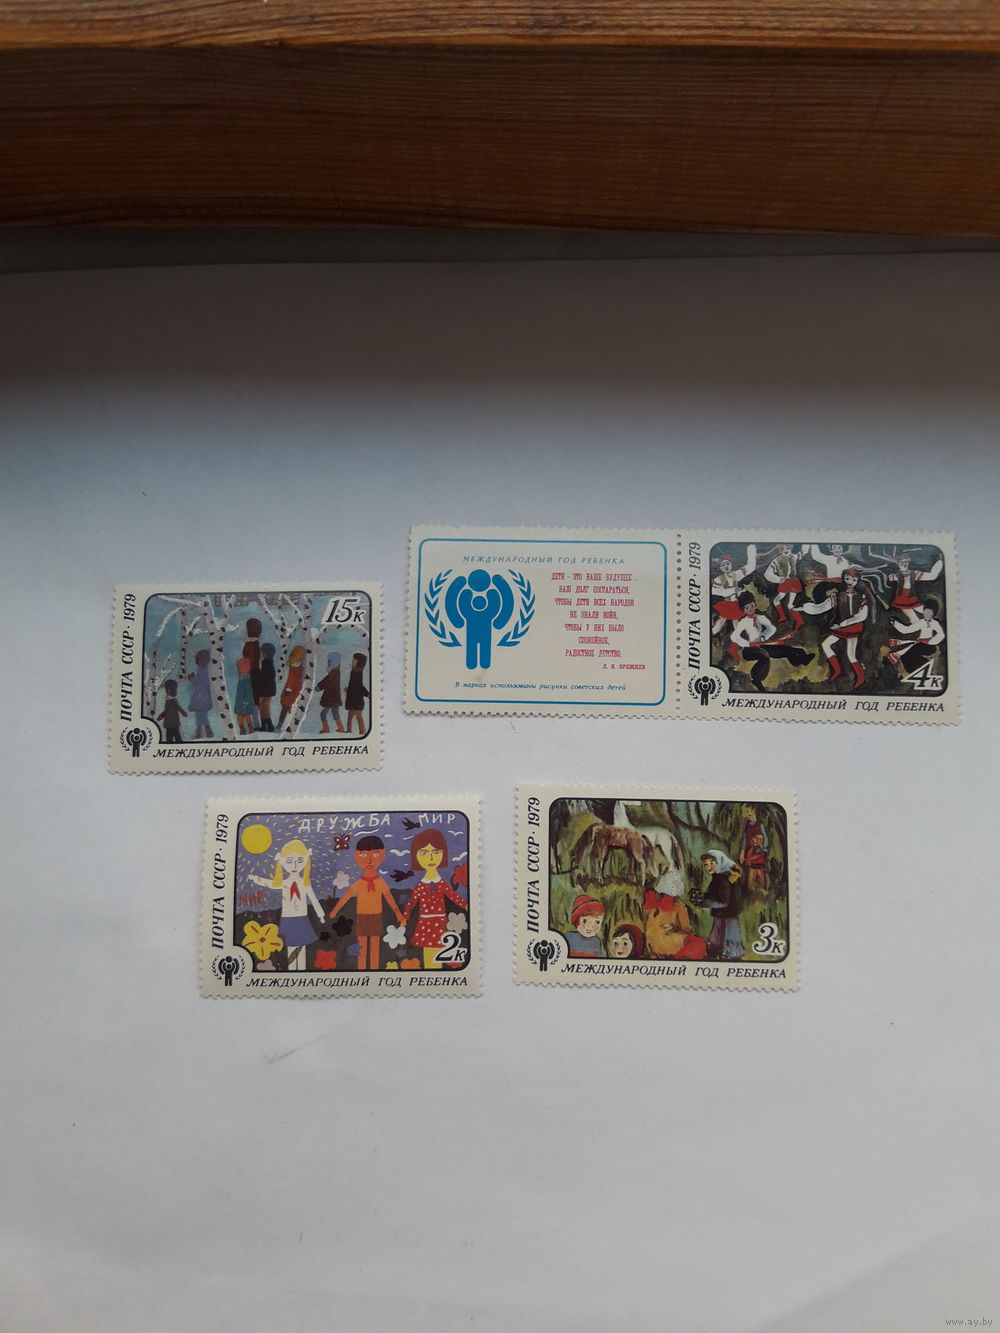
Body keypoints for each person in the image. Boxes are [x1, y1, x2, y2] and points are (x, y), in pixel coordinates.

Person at [247, 839, 326, 971]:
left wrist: (321, 914)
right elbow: (270, 883)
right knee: (291, 948)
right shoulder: (284, 883)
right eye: (289, 861)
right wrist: (256, 879)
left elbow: (313, 899)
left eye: (299, 860)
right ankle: (292, 972)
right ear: (282, 862)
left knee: (301, 948)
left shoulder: (304, 883)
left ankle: (301, 972)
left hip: (301, 918)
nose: (295, 865)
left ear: (306, 860)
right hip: (288, 919)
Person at [331, 835, 404, 971]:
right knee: (362, 945)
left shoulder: (380, 882)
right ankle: (362, 970)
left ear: (383, 855)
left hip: (376, 916)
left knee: (375, 944)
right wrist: (335, 911)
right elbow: (346, 897)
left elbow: (389, 898)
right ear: (356, 856)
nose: (370, 861)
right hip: (362, 917)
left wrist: (398, 913)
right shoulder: (359, 883)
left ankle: (374, 971)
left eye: (375, 854)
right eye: (364, 855)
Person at [402, 828, 469, 969]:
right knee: (428, 951)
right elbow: (412, 902)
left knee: (439, 950)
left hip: (440, 921)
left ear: (443, 854)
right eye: (424, 853)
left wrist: (466, 905)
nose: (431, 858)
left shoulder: (440, 883)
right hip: (425, 923)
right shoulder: (421, 885)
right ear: (416, 856)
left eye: (436, 852)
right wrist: (405, 917)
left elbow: (453, 895)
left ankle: (436, 971)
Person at [802, 567, 874, 689]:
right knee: (826, 645)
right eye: (847, 578)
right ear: (844, 579)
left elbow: (862, 616)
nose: (850, 581)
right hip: (843, 627)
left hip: (853, 626)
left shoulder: (861, 597)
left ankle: (860, 678)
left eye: (853, 579)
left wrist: (841, 625)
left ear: (857, 580)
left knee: (851, 655)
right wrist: (806, 608)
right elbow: (823, 607)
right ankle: (837, 670)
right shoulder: (838, 595)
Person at [730, 592, 812, 689]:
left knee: (783, 649)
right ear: (743, 610)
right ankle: (756, 679)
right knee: (764, 655)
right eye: (746, 608)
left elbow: (772, 628)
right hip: (749, 651)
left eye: (751, 605)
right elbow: (734, 637)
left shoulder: (760, 617)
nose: (750, 609)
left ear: (755, 605)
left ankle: (802, 659)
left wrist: (763, 637)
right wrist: (747, 644)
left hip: (761, 645)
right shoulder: (743, 622)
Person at [701, 850, 744, 961]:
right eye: (706, 864)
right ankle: (716, 953)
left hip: (728, 914)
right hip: (721, 914)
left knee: (728, 937)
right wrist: (702, 898)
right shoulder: (718, 877)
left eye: (711, 863)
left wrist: (706, 902)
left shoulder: (724, 879)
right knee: (717, 937)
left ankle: (730, 956)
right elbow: (711, 893)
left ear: (720, 862)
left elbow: (723, 902)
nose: (708, 867)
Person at [888, 598, 945, 675]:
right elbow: (906, 630)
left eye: (929, 613)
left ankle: (926, 668)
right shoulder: (921, 622)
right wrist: (895, 623)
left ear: (933, 614)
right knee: (905, 655)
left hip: (929, 647)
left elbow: (941, 635)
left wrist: (930, 641)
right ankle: (914, 671)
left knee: (912, 650)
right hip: (919, 644)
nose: (927, 614)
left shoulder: (935, 623)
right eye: (926, 612)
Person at [711, 545, 757, 638]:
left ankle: (739, 639)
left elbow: (750, 567)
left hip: (736, 603)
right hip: (727, 604)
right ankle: (710, 635)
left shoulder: (736, 574)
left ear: (731, 564)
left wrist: (751, 550)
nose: (726, 566)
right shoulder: (719, 579)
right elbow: (714, 591)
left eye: (727, 564)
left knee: (737, 622)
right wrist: (731, 590)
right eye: (723, 565)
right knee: (721, 621)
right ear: (720, 567)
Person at [277, 643, 306, 728]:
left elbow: (291, 680)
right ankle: (285, 725)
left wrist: (288, 689)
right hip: (295, 691)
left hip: (289, 692)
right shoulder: (299, 668)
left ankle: (280, 725)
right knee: (290, 708)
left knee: (285, 708)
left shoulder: (293, 668)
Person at [186, 648, 213, 738]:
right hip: (200, 696)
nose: (197, 662)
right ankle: (201, 732)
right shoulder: (203, 669)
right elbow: (200, 681)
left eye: (198, 660)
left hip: (202, 696)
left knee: (201, 714)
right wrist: (194, 678)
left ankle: (206, 731)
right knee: (199, 715)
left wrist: (192, 678)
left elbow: (201, 683)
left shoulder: (204, 670)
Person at [316, 651, 343, 734]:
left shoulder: (333, 674)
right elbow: (327, 681)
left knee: (323, 714)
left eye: (329, 662)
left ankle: (326, 729)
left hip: (330, 698)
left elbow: (327, 681)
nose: (328, 663)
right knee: (335, 714)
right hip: (334, 698)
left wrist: (319, 687)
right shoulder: (335, 673)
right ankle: (340, 728)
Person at [345, 652, 369, 734]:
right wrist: (349, 689)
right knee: (351, 717)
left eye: (354, 660)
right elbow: (354, 684)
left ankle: (362, 731)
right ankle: (349, 731)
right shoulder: (354, 671)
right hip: (353, 699)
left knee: (358, 716)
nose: (352, 661)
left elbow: (359, 686)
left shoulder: (357, 672)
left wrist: (367, 694)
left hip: (356, 699)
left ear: (359, 662)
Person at [156, 678, 187, 743]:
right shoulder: (168, 700)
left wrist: (183, 712)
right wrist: (161, 716)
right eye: (167, 690)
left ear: (173, 691)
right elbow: (166, 711)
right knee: (169, 739)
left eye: (169, 690)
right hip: (169, 723)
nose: (167, 692)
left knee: (177, 738)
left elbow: (178, 707)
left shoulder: (173, 700)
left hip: (174, 723)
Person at [257, 641, 277, 731]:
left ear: (265, 653)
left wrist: (259, 677)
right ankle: (266, 726)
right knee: (264, 707)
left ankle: (268, 726)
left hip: (267, 690)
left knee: (264, 707)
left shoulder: (266, 663)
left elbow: (266, 676)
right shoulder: (268, 662)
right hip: (268, 689)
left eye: (261, 652)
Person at [233, 656, 255, 734]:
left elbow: (248, 692)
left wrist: (245, 703)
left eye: (239, 668)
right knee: (244, 716)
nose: (238, 670)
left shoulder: (245, 679)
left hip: (244, 703)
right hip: (241, 702)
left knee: (242, 716)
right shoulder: (243, 678)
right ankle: (245, 729)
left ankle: (247, 729)